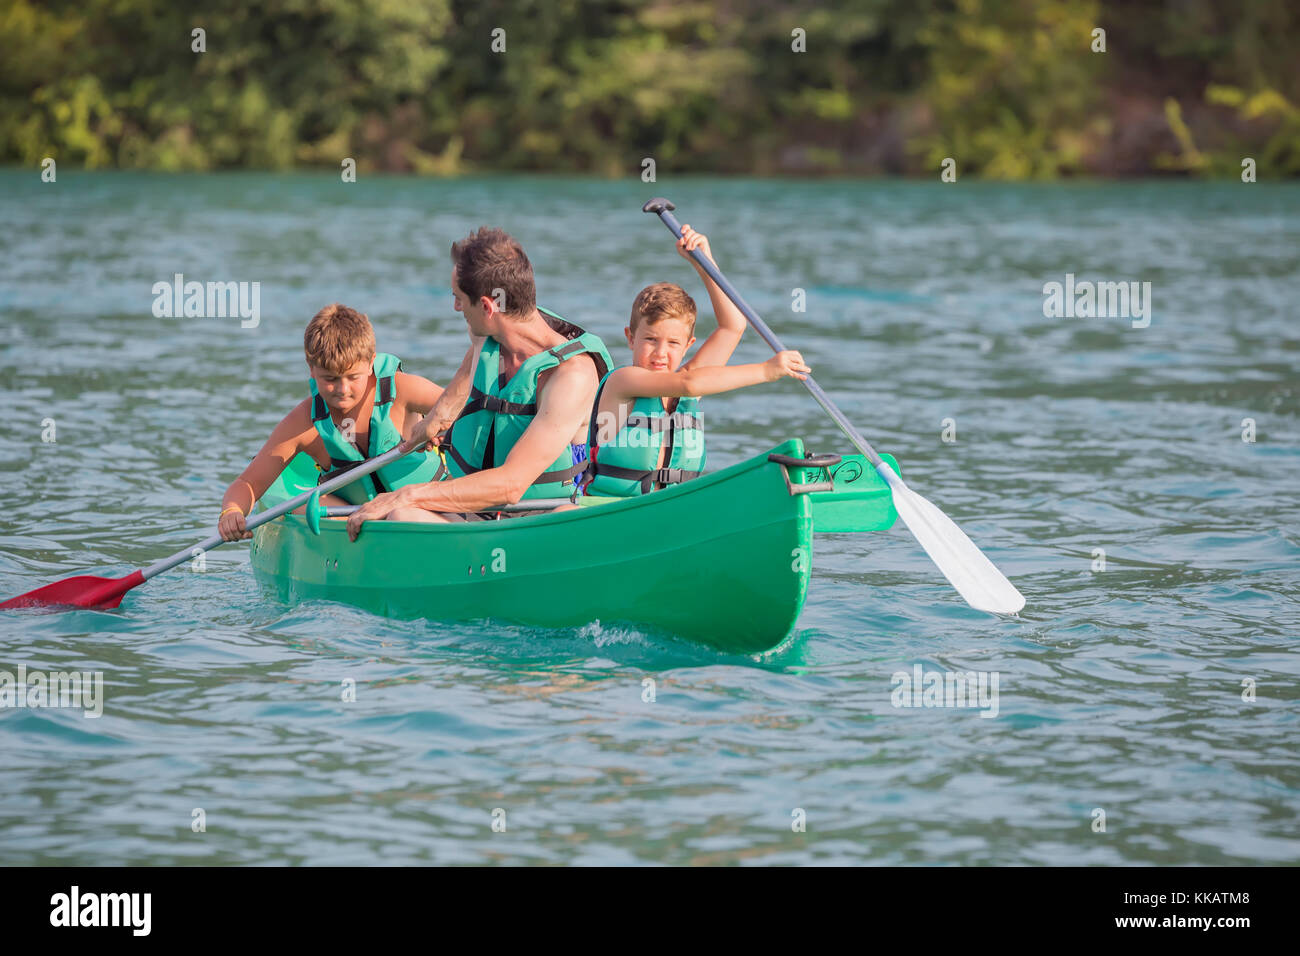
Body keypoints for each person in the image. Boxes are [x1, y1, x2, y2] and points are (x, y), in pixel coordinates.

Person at [345, 227, 613, 537]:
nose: (456, 308)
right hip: (473, 516)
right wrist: (436, 418)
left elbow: (512, 485)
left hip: (537, 524)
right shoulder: (489, 332)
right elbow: (470, 367)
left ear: (487, 307)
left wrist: (407, 492)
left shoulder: (571, 376)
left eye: (459, 299)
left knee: (404, 504)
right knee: (403, 517)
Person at [584, 225, 809, 496]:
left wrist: (704, 262)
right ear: (630, 338)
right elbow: (689, 384)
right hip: (610, 508)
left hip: (670, 508)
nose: (660, 353)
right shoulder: (624, 382)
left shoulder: (685, 384)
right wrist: (767, 370)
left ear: (689, 345)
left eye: (673, 343)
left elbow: (733, 326)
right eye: (650, 340)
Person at [215, 304, 450, 541]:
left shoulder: (402, 390)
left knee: (403, 514)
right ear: (311, 370)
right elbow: (248, 483)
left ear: (371, 363)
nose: (342, 390)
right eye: (330, 379)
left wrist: (443, 428)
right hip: (357, 524)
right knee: (303, 503)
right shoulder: (304, 422)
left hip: (431, 509)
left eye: (353, 377)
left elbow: (465, 410)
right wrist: (231, 512)